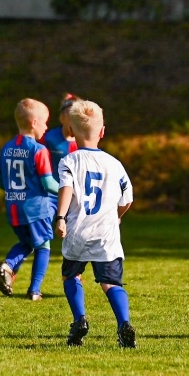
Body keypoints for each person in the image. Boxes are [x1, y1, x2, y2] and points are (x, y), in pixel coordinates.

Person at [54, 99, 136, 348]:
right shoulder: (115, 164)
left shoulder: (69, 161)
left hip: (77, 231)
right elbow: (128, 198)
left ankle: (79, 320)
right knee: (110, 283)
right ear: (102, 131)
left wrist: (60, 217)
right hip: (106, 234)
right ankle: (124, 324)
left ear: (71, 131)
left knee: (72, 276)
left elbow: (66, 188)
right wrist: (117, 215)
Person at [0, 98, 60, 300]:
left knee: (27, 242)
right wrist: (68, 189)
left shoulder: (7, 147)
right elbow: (48, 183)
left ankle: (8, 265)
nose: (47, 127)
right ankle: (35, 291)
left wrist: (13, 189)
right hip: (36, 208)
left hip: (13, 207)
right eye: (45, 122)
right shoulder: (38, 150)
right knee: (43, 245)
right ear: (34, 123)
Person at [41, 93, 80, 171]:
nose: (73, 121)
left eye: (77, 116)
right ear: (62, 118)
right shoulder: (49, 138)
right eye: (70, 117)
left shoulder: (86, 139)